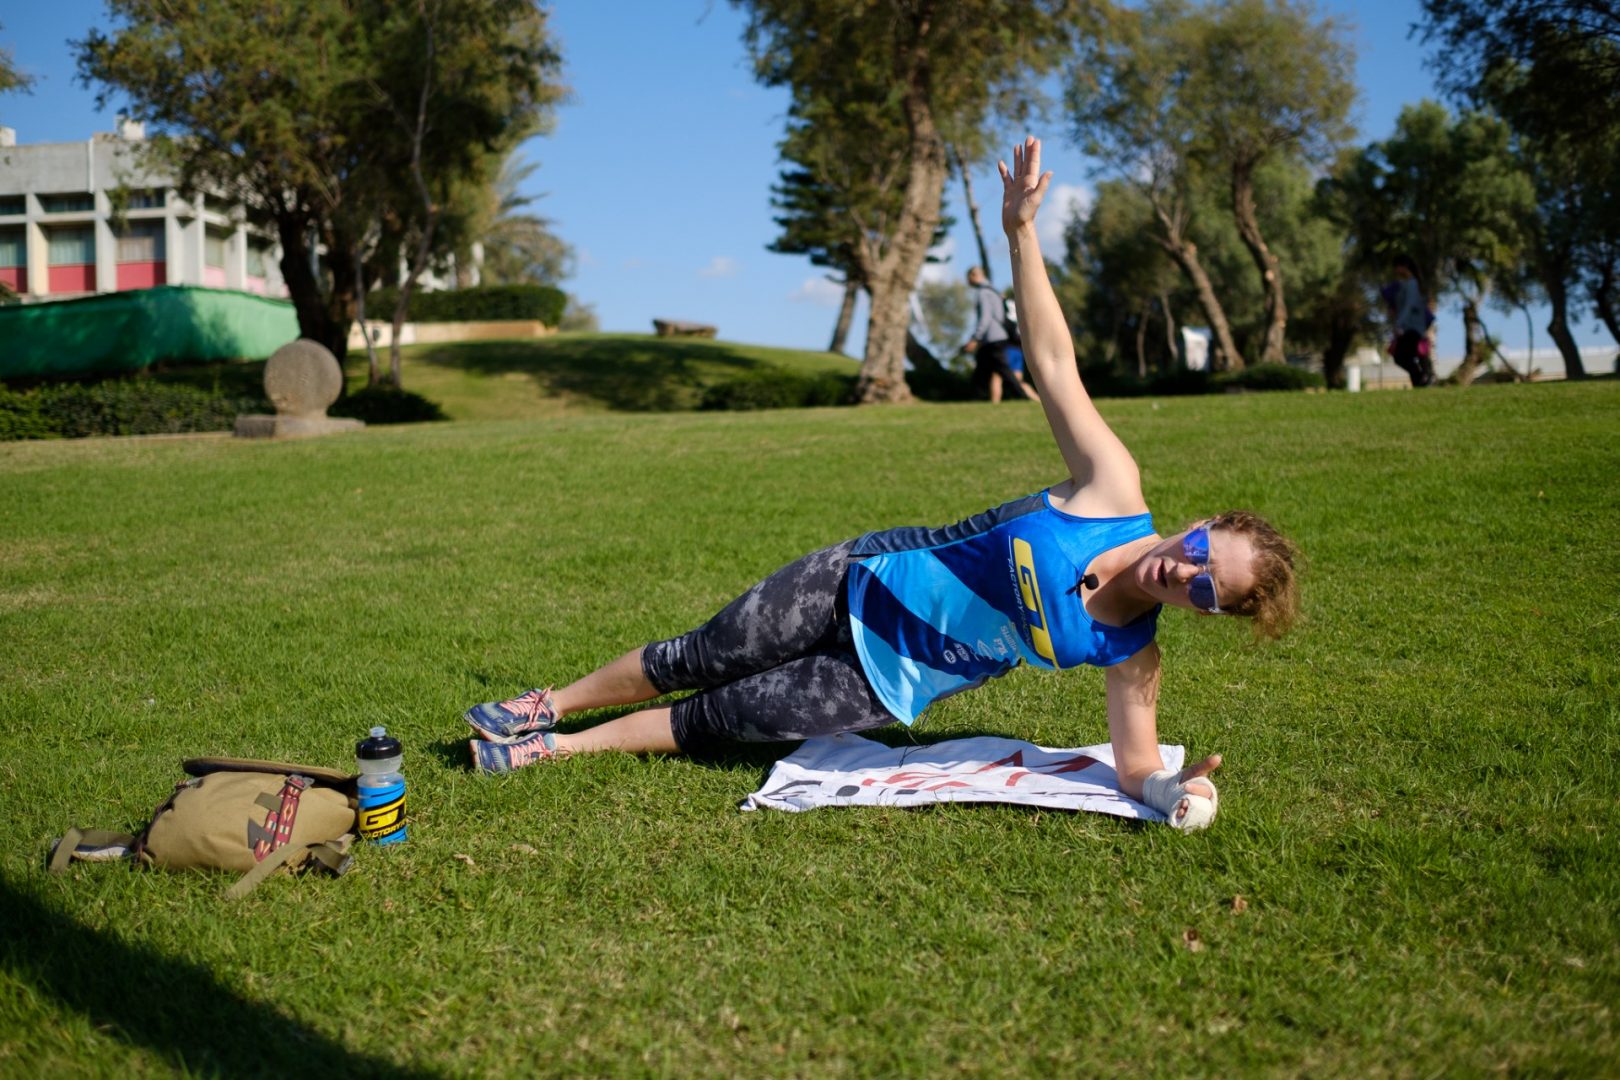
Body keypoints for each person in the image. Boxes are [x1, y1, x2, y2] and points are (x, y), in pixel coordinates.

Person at [463, 137, 1298, 831]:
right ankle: (550, 704)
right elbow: (1051, 362)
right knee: (704, 654)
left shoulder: (1132, 653)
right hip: (860, 579)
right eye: (1201, 551)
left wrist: (1168, 790)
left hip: (886, 681)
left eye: (1209, 592)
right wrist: (1021, 233)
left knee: (721, 719)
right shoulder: (1113, 489)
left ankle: (562, 748)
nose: (1185, 574)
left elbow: (1137, 762)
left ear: (1211, 613)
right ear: (1199, 523)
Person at [965, 266, 1041, 403]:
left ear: (973, 276)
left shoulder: (983, 293)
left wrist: (975, 337)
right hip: (1001, 337)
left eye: (968, 278)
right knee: (983, 371)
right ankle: (975, 398)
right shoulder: (995, 292)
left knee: (1003, 373)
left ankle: (1023, 396)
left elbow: (985, 317)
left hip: (993, 338)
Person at [1383, 255, 1435, 387]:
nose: (1395, 270)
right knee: (1406, 355)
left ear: (1403, 267)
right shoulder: (1404, 285)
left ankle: (1424, 375)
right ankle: (1420, 379)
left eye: (1397, 267)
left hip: (1413, 327)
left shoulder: (1412, 284)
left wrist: (1399, 324)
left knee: (1402, 355)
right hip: (1409, 327)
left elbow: (1409, 306)